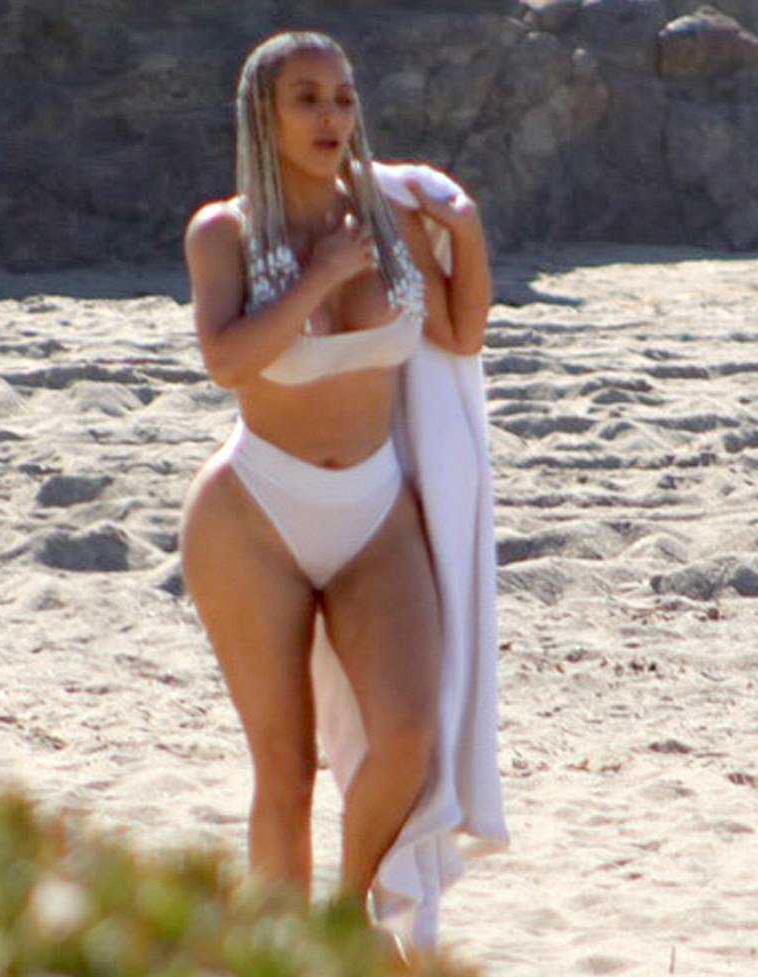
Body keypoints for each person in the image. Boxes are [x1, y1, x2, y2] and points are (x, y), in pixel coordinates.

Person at [181, 30, 507, 959]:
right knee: (286, 769)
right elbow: (227, 359)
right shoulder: (225, 232)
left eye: (344, 97)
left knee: (410, 739)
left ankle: (345, 914)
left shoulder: (388, 218)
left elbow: (462, 333)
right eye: (308, 98)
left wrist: (465, 231)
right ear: (264, 114)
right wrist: (322, 274)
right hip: (253, 515)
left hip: (373, 514)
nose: (332, 116)